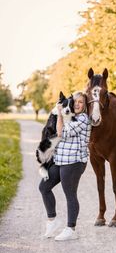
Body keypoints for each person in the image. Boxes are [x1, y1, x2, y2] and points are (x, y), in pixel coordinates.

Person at [39, 91, 91, 241]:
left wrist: (60, 114)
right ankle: (52, 221)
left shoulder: (83, 119)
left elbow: (61, 132)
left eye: (81, 102)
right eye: (75, 101)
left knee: (70, 194)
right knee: (44, 187)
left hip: (74, 162)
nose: (77, 104)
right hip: (61, 160)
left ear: (85, 105)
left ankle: (71, 229)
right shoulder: (70, 116)